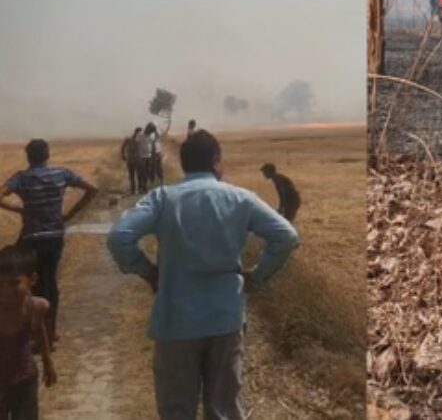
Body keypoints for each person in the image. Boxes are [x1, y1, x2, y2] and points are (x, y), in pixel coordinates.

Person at [107, 130, 299, 420]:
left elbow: (119, 237)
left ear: (185, 164)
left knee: (176, 411)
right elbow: (286, 236)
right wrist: (257, 277)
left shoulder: (163, 199)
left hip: (175, 321)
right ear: (216, 160)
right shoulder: (241, 199)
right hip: (226, 318)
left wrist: (147, 272)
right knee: (223, 410)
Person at [0, 140, 99, 346]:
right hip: (54, 236)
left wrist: (18, 209)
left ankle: (34, 331)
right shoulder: (61, 173)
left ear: (28, 157)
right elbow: (92, 189)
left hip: (30, 238)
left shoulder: (21, 178)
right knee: (50, 282)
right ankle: (51, 332)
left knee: (30, 282)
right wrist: (70, 214)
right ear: (47, 156)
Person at [0, 245, 56, 420]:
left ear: (32, 279)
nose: (5, 290)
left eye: (14, 283)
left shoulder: (36, 307)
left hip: (25, 377)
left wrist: (48, 363)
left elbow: (39, 333)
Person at [120, 128, 143, 195]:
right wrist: (123, 155)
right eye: (139, 133)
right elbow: (123, 147)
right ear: (136, 132)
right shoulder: (128, 139)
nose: (140, 134)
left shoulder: (140, 139)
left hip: (137, 159)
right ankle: (133, 189)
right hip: (131, 159)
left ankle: (139, 189)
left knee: (138, 175)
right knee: (132, 175)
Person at [135, 125, 155, 193]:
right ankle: (140, 187)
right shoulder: (140, 135)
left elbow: (152, 146)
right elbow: (136, 145)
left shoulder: (151, 136)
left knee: (147, 172)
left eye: (152, 131)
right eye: (150, 130)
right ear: (147, 129)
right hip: (141, 157)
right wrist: (138, 156)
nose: (151, 132)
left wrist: (152, 156)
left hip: (149, 156)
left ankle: (145, 187)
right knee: (141, 172)